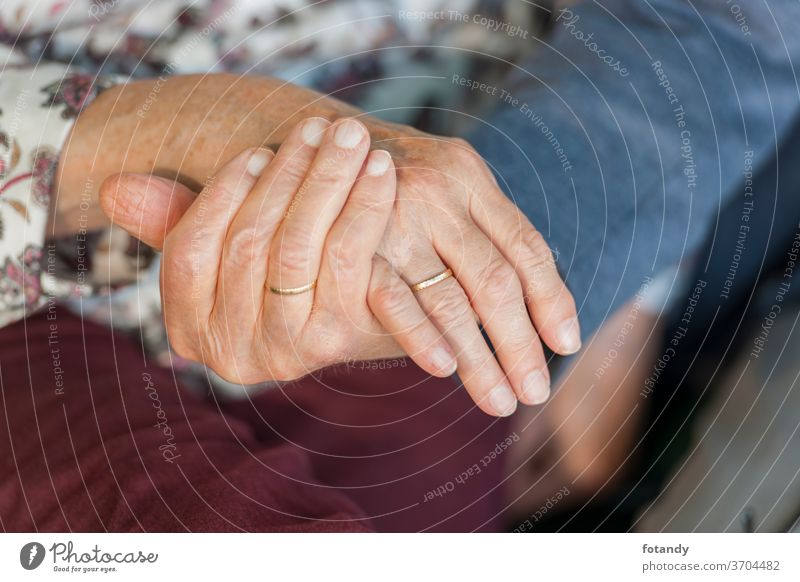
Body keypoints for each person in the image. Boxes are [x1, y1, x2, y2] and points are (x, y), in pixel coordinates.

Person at [2, 0, 800, 531]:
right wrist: (157, 134)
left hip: (472, 179)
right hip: (31, 266)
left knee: (420, 465)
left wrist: (542, 260)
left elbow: (730, 28)